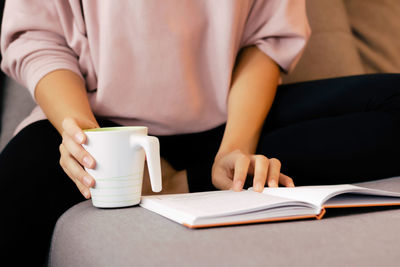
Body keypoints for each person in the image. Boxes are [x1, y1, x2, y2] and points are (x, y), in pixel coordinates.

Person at [1, 0, 400, 266]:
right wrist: (88, 140)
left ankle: (190, 179)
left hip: (230, 121)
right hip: (99, 124)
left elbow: (266, 40)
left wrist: (236, 147)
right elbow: (38, 38)